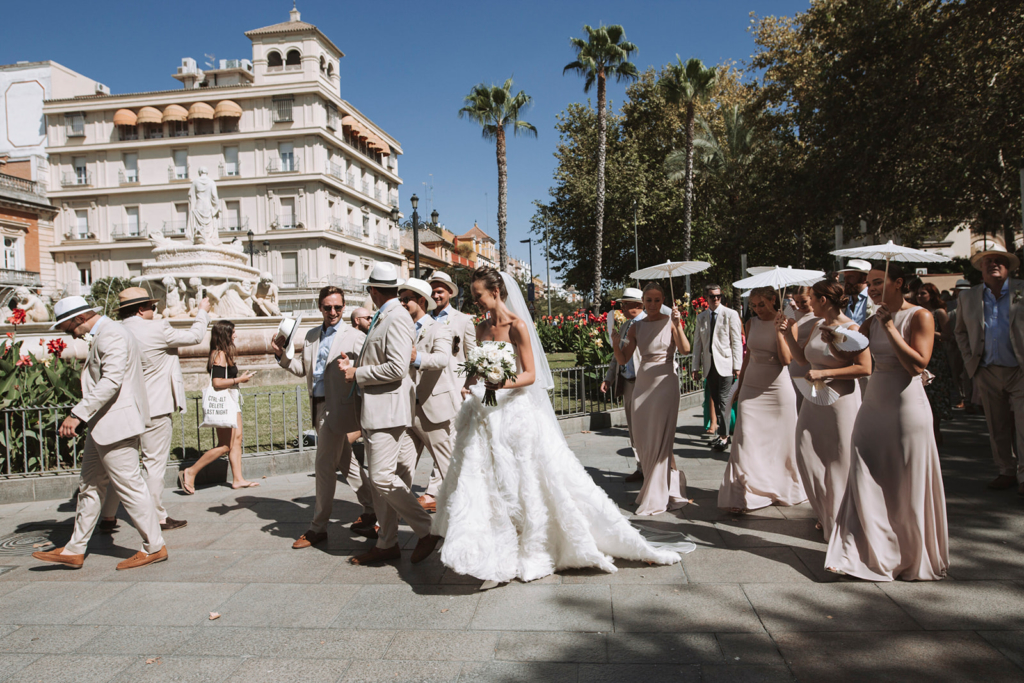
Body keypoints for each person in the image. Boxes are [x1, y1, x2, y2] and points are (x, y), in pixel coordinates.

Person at [432, 267, 694, 585]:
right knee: (487, 478)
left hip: (514, 410)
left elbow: (530, 375)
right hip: (485, 411)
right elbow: (475, 371)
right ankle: (493, 543)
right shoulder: (481, 327)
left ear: (496, 293)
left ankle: (532, 543)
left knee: (527, 480)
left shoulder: (516, 326)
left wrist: (499, 382)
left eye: (478, 296)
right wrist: (469, 384)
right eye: (474, 298)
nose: (476, 303)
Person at [826, 263, 948, 580]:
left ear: (898, 283)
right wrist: (833, 341)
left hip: (907, 407)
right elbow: (852, 357)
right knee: (861, 470)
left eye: (879, 283)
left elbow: (917, 365)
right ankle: (859, 551)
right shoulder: (870, 320)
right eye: (871, 283)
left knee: (905, 481)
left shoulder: (920, 316)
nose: (874, 288)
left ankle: (907, 555)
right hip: (873, 406)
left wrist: (891, 327)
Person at [33, 296, 166, 570]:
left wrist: (77, 413)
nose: (65, 331)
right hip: (105, 425)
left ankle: (154, 546)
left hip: (116, 426)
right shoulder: (109, 333)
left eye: (66, 325)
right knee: (90, 485)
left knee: (130, 486)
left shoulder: (111, 335)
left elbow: (111, 381)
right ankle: (74, 549)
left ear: (80, 318)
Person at [336, 262, 440, 566]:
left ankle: (427, 529)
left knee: (381, 478)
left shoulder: (395, 318)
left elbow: (397, 368)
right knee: (382, 481)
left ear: (372, 291)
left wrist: (357, 372)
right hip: (377, 410)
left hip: (388, 411)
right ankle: (386, 543)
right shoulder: (388, 315)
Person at [97, 287, 210, 534]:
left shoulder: (114, 331)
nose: (155, 310)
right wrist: (202, 312)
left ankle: (107, 515)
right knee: (154, 465)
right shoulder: (157, 328)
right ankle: (157, 516)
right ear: (140, 309)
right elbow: (194, 337)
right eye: (152, 307)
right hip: (155, 408)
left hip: (124, 408)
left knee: (123, 465)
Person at [272, 286, 374, 549]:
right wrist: (281, 355)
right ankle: (374, 508)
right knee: (346, 462)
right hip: (317, 405)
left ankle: (318, 527)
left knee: (323, 467)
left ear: (344, 307)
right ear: (320, 307)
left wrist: (353, 370)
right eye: (328, 307)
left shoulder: (354, 336)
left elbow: (368, 367)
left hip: (338, 407)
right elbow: (303, 370)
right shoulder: (311, 335)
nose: (333, 312)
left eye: (338, 307)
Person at [779, 281, 870, 537]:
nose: (803, 303)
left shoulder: (852, 328)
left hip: (840, 402)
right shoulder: (818, 326)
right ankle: (825, 511)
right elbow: (803, 359)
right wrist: (786, 335)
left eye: (812, 298)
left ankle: (842, 522)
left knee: (839, 462)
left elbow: (864, 367)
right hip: (814, 399)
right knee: (805, 453)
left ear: (823, 301)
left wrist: (826, 372)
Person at [718, 287, 805, 513]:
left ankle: (779, 486)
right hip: (751, 387)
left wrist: (780, 332)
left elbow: (786, 360)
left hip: (778, 389)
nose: (757, 309)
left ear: (772, 300)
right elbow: (748, 356)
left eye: (761, 304)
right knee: (746, 437)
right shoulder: (750, 323)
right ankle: (745, 491)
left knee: (780, 441)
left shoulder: (790, 323)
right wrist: (739, 385)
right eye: (753, 305)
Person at [612, 283, 692, 515]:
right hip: (643, 384)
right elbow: (623, 359)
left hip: (665, 382)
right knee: (644, 439)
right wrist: (617, 345)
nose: (653, 304)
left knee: (662, 439)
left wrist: (677, 326)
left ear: (663, 300)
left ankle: (665, 491)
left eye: (657, 300)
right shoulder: (636, 327)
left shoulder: (670, 322)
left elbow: (685, 350)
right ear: (643, 302)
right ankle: (659, 486)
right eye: (649, 300)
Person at [954, 249, 1024, 494]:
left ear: (1009, 268)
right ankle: (1006, 470)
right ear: (981, 269)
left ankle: (1023, 476)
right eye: (988, 262)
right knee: (997, 424)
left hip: (1020, 369)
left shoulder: (1021, 291)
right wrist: (970, 359)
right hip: (986, 369)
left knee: (1023, 424)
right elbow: (960, 331)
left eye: (999, 262)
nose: (993, 265)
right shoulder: (969, 297)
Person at [399, 278, 461, 512]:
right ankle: (388, 526)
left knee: (448, 469)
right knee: (401, 469)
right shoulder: (400, 328)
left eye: (406, 300)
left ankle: (463, 519)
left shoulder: (440, 328)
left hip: (433, 409)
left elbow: (442, 359)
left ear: (421, 301)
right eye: (400, 299)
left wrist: (416, 358)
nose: (402, 304)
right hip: (405, 410)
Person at [178, 320, 258, 493]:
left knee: (236, 440)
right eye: (233, 332)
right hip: (226, 401)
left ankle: (238, 479)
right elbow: (217, 382)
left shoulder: (221, 353)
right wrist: (239, 379)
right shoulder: (220, 354)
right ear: (225, 335)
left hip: (232, 400)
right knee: (225, 445)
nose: (235, 335)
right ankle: (190, 472)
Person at [691, 283, 743, 452]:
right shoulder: (701, 317)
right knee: (715, 398)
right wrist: (695, 367)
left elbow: (736, 341)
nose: (715, 299)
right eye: (712, 296)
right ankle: (722, 434)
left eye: (718, 296)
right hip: (709, 365)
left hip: (726, 364)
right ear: (707, 298)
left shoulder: (731, 314)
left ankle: (724, 436)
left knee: (724, 400)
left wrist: (738, 366)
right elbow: (697, 344)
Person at [601, 287, 645, 482]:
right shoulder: (626, 324)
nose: (622, 308)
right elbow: (616, 354)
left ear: (637, 305)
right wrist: (609, 378)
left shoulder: (647, 324)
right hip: (627, 383)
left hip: (644, 383)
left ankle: (650, 466)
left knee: (645, 427)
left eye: (625, 305)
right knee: (633, 428)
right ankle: (640, 467)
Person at [916, 282, 954, 444]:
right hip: (919, 356)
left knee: (935, 397)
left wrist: (930, 332)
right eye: (918, 293)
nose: (919, 296)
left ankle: (936, 434)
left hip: (935, 358)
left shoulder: (938, 312)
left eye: (923, 293)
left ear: (931, 295)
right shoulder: (916, 312)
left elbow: (948, 335)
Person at [787, 286, 820, 412]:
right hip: (797, 362)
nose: (800, 305)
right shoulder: (792, 316)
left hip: (815, 362)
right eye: (797, 301)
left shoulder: (818, 315)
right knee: (798, 402)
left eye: (804, 301)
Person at [946, 279, 974, 410]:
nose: (962, 293)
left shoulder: (976, 305)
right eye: (960, 290)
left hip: (970, 343)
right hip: (952, 343)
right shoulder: (950, 305)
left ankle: (969, 399)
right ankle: (961, 397)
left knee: (968, 372)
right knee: (956, 372)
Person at [838, 259, 874, 325]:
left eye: (850, 277)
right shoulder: (843, 301)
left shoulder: (874, 300)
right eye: (845, 278)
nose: (846, 281)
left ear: (865, 279)